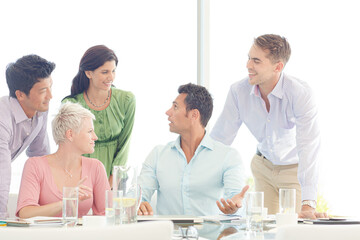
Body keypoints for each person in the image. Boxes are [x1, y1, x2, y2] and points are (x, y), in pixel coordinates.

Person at [211, 34, 327, 219]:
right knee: (263, 228)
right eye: (249, 58)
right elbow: (220, 140)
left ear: (278, 67)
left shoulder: (300, 94)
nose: (248, 65)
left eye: (256, 61)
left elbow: (309, 147)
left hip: (293, 170)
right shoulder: (238, 92)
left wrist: (308, 203)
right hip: (263, 166)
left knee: (294, 228)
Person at [138, 83, 249, 216]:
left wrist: (235, 206)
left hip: (210, 236)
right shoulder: (157, 155)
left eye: (175, 107)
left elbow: (235, 197)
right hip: (169, 235)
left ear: (194, 115)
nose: (168, 112)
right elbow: (138, 195)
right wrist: (138, 204)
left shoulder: (228, 156)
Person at [16, 102, 110, 218]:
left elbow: (107, 215)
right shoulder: (35, 165)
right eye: (90, 131)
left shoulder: (96, 167)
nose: (95, 137)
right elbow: (25, 213)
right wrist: (66, 202)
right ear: (70, 134)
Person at [62, 45, 136, 184]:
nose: (111, 77)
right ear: (89, 73)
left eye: (113, 71)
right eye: (104, 72)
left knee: (116, 206)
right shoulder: (71, 105)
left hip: (117, 177)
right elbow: (69, 149)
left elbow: (125, 142)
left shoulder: (126, 100)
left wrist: (113, 178)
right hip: (81, 177)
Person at [0, 55, 55, 218]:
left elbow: (40, 157)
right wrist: (1, 219)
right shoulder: (2, 120)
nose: (50, 96)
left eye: (51, 87)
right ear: (20, 95)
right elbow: (2, 171)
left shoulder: (40, 110)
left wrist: (46, 211)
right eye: (43, 90)